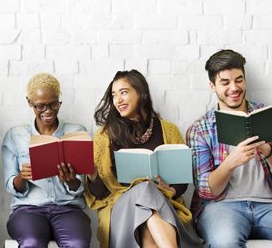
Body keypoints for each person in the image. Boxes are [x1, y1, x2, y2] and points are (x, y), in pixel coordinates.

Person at [85, 69, 202, 248]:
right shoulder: (104, 136)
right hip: (122, 212)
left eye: (124, 92)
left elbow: (181, 182)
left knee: (148, 215)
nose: (118, 100)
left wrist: (168, 189)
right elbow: (101, 194)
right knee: (144, 188)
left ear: (142, 93)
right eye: (114, 95)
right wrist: (92, 174)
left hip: (162, 206)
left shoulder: (168, 130)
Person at [187, 49, 272, 247]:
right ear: (212, 86)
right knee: (225, 242)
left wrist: (267, 152)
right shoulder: (200, 129)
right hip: (222, 207)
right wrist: (231, 162)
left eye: (239, 80)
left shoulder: (267, 115)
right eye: (225, 82)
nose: (234, 88)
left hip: (268, 204)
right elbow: (206, 191)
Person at [2, 73, 92, 248]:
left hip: (68, 208)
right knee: (31, 242)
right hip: (28, 209)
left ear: (59, 100)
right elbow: (10, 185)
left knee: (77, 243)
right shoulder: (15, 135)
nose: (48, 111)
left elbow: (81, 186)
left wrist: (71, 180)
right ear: (29, 103)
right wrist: (22, 177)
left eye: (53, 104)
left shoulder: (76, 132)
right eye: (40, 106)